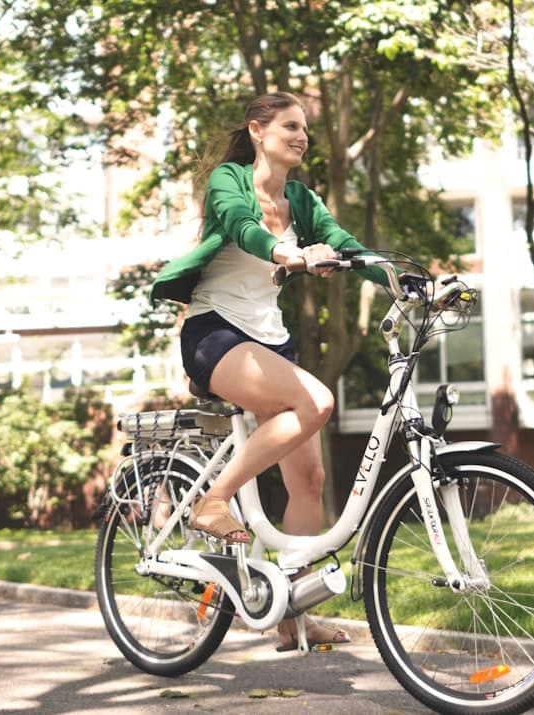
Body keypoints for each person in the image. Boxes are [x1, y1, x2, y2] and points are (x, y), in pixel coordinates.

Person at [151, 91, 387, 650]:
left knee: (308, 480)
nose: (302, 136)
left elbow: (344, 244)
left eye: (305, 128)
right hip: (215, 333)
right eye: (290, 125)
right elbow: (238, 226)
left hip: (271, 343)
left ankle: (292, 615)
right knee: (317, 403)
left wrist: (405, 279)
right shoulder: (230, 181)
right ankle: (214, 502)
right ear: (258, 130)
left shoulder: (301, 199)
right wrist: (286, 254)